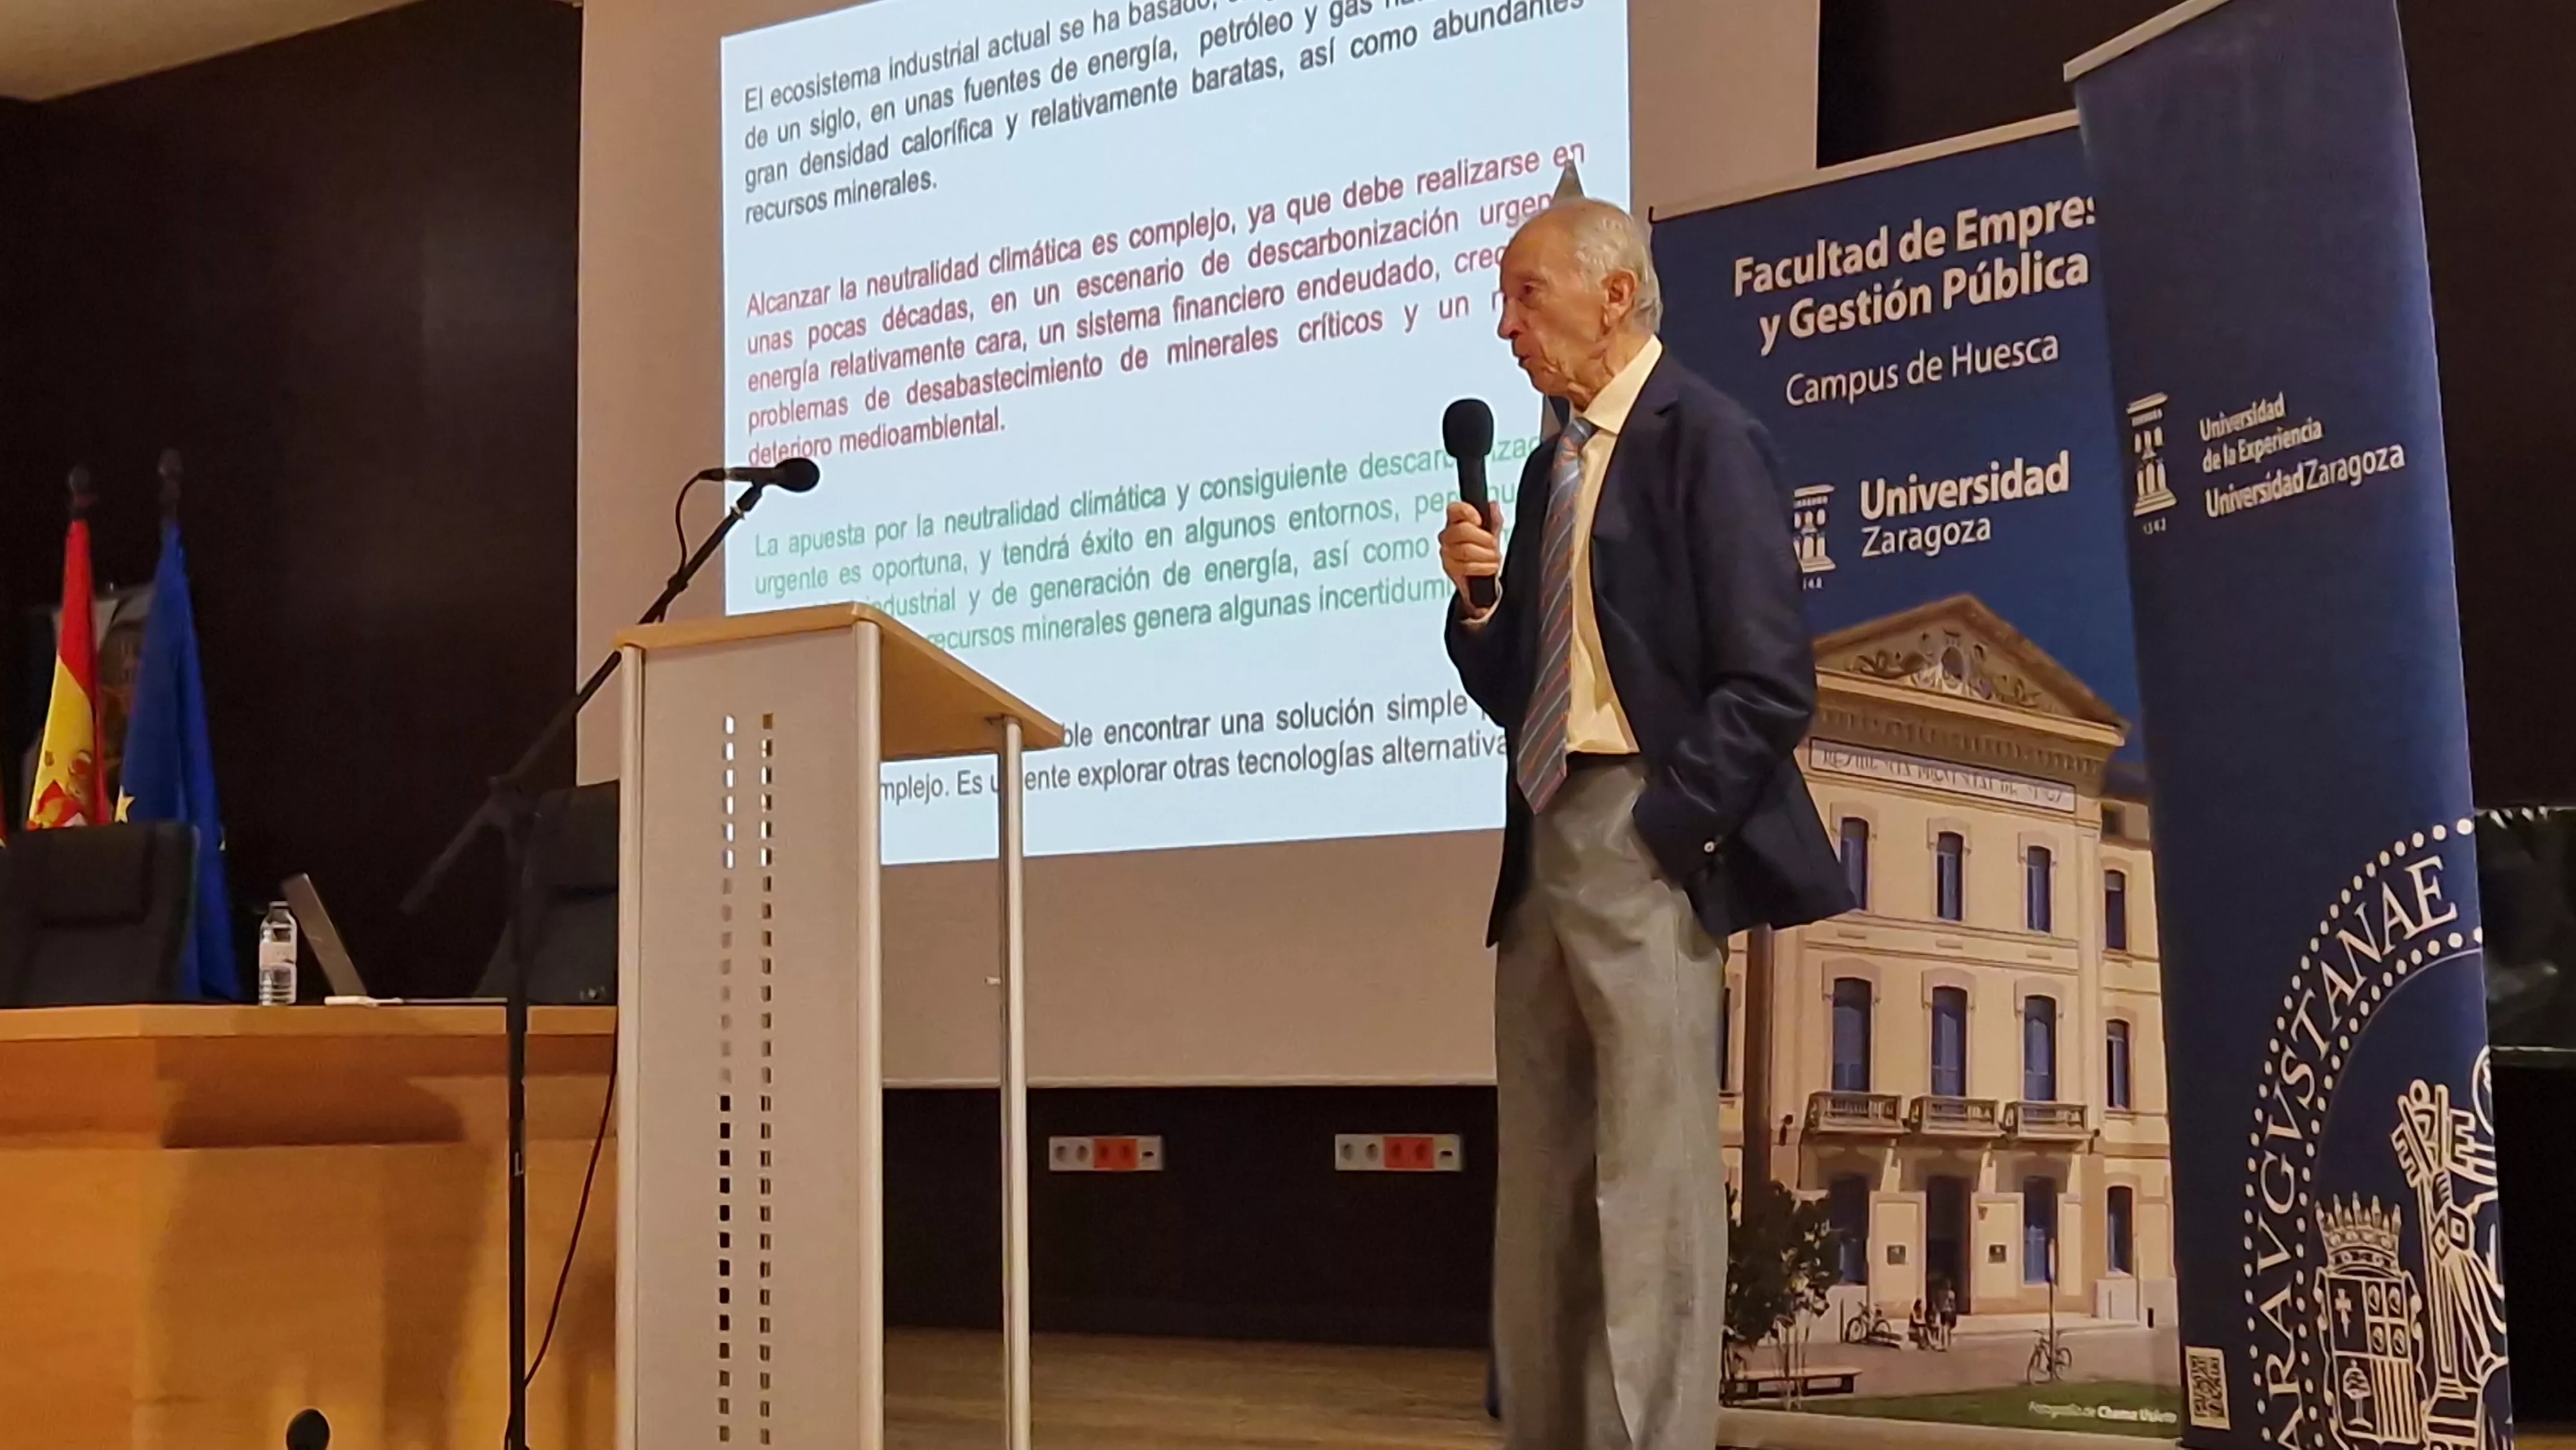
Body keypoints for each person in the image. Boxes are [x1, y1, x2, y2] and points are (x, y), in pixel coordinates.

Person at [1439, 198, 1850, 1450]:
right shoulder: (1546, 466)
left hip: (1641, 832)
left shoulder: (1705, 438)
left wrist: (1666, 829)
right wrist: (1478, 605)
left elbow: (1768, 681)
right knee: (1544, 1187)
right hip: (1540, 838)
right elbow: (1522, 684)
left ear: (1613, 294)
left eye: (1527, 293)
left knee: (1648, 1183)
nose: (1505, 325)